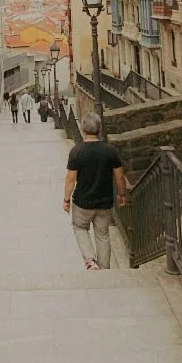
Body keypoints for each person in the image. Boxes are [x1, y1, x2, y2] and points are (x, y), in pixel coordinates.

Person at [63, 111, 128, 270]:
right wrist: (122, 194)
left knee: (80, 227)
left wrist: (66, 200)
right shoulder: (110, 151)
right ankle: (104, 268)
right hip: (104, 201)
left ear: (83, 128)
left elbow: (70, 179)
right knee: (103, 235)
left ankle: (90, 261)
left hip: (83, 202)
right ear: (99, 129)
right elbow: (119, 176)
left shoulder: (76, 152)